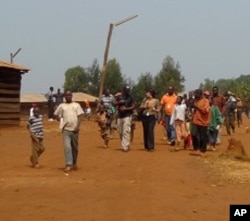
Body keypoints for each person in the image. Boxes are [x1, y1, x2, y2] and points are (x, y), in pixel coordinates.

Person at [54, 90, 84, 172]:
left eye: (69, 95)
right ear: (64, 97)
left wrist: (77, 127)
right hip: (66, 130)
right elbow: (56, 114)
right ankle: (68, 164)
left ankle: (74, 163)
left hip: (75, 130)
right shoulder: (62, 106)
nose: (68, 97)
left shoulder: (76, 105)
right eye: (66, 95)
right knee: (67, 147)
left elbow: (81, 116)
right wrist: (59, 119)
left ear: (72, 96)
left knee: (75, 148)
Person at [113, 85, 135, 152]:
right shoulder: (119, 97)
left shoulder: (131, 97)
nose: (127, 92)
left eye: (128, 90)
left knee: (126, 131)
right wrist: (119, 102)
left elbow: (133, 106)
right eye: (126, 90)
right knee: (120, 132)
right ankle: (126, 143)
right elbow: (113, 103)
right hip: (120, 116)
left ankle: (125, 146)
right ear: (123, 90)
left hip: (127, 116)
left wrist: (126, 109)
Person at [190, 89, 210, 156]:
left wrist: (196, 107)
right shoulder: (196, 101)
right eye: (195, 94)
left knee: (202, 137)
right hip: (195, 121)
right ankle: (196, 149)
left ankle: (203, 150)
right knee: (194, 134)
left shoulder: (205, 101)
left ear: (200, 95)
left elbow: (205, 111)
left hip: (203, 122)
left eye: (197, 95)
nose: (195, 96)